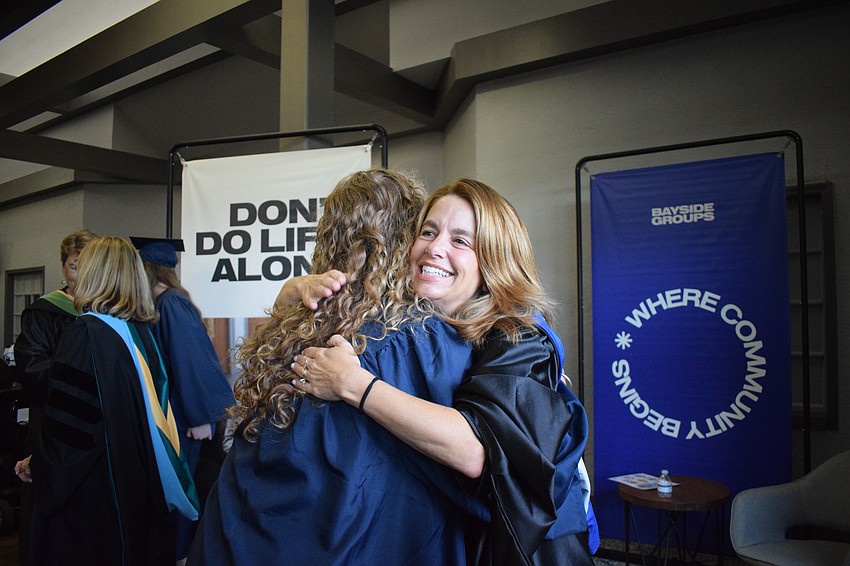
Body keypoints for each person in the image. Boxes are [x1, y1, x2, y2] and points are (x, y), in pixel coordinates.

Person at [189, 169, 489, 565]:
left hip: (239, 532)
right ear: (406, 238)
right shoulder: (417, 338)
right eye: (426, 232)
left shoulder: (293, 324)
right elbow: (479, 460)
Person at [290, 179, 594, 565]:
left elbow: (475, 452)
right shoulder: (428, 324)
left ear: (495, 259)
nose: (435, 248)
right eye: (428, 232)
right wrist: (293, 290)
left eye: (461, 241)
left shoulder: (520, 338)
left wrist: (352, 384)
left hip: (530, 547)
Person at [15, 236, 199, 565]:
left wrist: (40, 464)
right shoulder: (138, 331)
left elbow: (72, 430)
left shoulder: (87, 333)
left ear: (95, 275)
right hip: (135, 480)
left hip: (95, 491)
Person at [131, 236, 235, 564]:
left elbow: (191, 360)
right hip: (173, 414)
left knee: (183, 490)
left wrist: (201, 417)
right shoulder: (164, 304)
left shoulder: (172, 304)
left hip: (185, 417)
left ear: (147, 271)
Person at [12, 227, 97, 565]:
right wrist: (81, 383)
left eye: (87, 266)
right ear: (64, 267)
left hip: (93, 428)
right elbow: (32, 369)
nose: (80, 274)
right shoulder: (45, 312)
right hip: (55, 421)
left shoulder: (106, 313)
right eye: (74, 266)